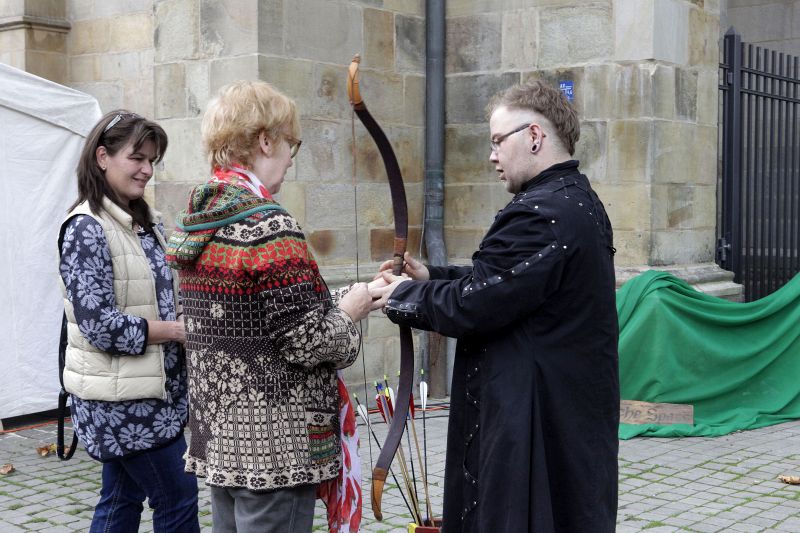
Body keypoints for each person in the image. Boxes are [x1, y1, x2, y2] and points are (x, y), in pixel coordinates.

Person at [370, 81, 619, 532]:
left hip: (536, 419)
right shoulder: (575, 198)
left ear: (535, 136)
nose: (491, 156)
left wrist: (402, 296)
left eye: (498, 141)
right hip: (560, 412)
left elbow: (478, 305)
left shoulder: (541, 212)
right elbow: (510, 283)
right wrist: (431, 278)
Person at [165, 80, 374, 533]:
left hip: (222, 440)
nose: (291, 157)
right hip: (277, 450)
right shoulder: (269, 223)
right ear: (264, 140)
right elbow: (307, 341)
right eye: (289, 143)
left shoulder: (203, 220)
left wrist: (353, 296)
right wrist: (350, 313)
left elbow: (257, 317)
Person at [58, 111, 199, 532]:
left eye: (152, 160)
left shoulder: (144, 222)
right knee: (177, 496)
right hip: (120, 403)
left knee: (121, 498)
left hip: (148, 392)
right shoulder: (86, 228)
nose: (147, 169)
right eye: (136, 158)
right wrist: (176, 331)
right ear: (102, 157)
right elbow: (99, 325)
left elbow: (161, 295)